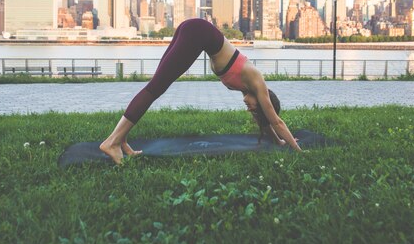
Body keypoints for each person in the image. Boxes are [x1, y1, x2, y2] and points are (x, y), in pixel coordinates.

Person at [100, 18, 302, 164]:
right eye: (254, 108)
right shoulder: (257, 81)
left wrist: (278, 140)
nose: (248, 108)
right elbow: (276, 121)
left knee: (155, 85)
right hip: (197, 32)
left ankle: (121, 139)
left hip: (192, 29)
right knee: (155, 88)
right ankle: (112, 142)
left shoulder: (247, 87)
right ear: (263, 99)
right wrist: (297, 149)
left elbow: (266, 121)